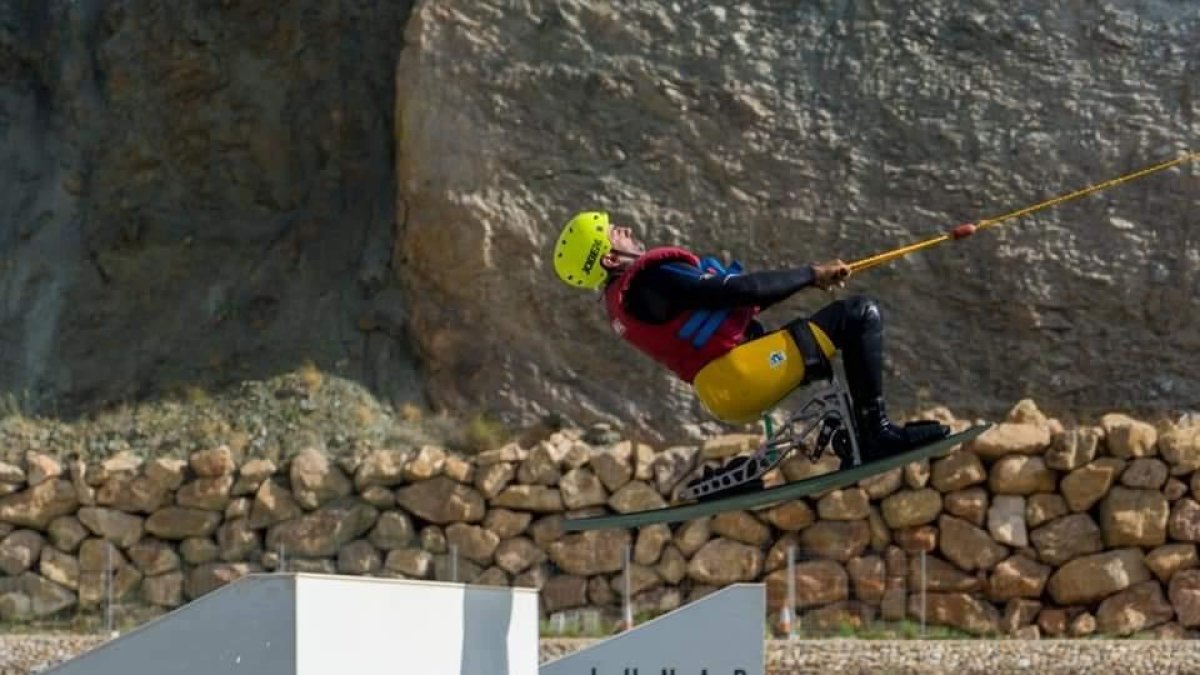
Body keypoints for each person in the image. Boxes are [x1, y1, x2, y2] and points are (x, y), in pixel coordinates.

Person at [552, 210, 949, 467]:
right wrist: (811, 274)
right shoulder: (651, 279)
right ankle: (875, 433)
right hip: (745, 375)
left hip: (726, 392)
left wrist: (811, 281)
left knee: (822, 332)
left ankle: (858, 435)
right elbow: (743, 290)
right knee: (859, 315)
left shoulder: (628, 303)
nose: (624, 229)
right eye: (613, 232)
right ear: (609, 258)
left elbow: (741, 301)